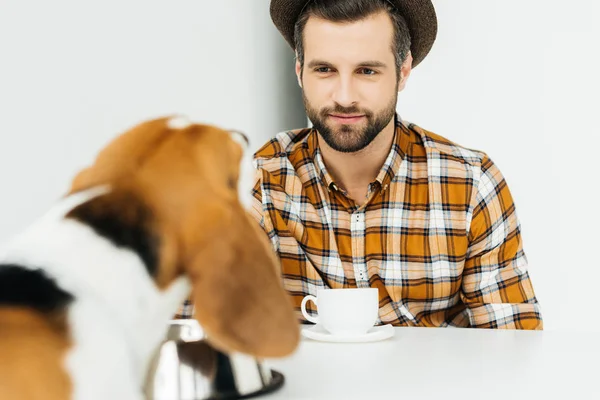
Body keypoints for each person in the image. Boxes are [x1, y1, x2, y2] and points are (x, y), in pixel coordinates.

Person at [246, 0, 543, 329]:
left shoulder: (471, 184)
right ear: (300, 70)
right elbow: (204, 323)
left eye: (367, 70)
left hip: (438, 382)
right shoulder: (261, 179)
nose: (344, 97)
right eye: (325, 69)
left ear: (402, 72)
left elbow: (513, 347)